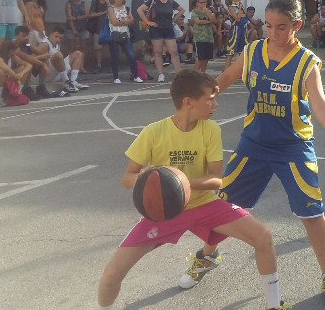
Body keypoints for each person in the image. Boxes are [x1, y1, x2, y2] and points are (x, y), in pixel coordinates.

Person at [179, 0, 325, 309]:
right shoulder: (252, 52)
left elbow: (319, 103)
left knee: (312, 213)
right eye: (268, 25)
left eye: (281, 27)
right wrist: (198, 100)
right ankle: (208, 256)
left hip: (293, 147)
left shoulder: (306, 63)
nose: (273, 32)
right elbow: (223, 79)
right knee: (221, 203)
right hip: (253, 144)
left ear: (296, 25)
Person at [97, 70, 291, 310]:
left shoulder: (210, 130)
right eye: (209, 98)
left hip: (205, 204)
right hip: (164, 211)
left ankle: (274, 304)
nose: (215, 104)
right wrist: (146, 179)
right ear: (188, 102)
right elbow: (127, 178)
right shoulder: (153, 132)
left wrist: (182, 182)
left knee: (263, 237)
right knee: (110, 276)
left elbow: (216, 179)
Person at [137, 0, 184, 82]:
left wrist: (174, 19)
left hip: (168, 29)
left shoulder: (171, 2)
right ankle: (160, 74)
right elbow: (140, 10)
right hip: (156, 29)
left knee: (173, 52)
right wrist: (148, 22)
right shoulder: (154, 1)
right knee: (158, 52)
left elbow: (182, 10)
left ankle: (179, 74)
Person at [107, 0, 143, 84]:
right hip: (114, 34)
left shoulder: (126, 8)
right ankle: (116, 77)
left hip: (125, 35)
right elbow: (113, 22)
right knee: (115, 56)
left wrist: (121, 21)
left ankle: (136, 76)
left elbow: (132, 21)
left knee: (131, 55)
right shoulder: (111, 8)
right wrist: (125, 21)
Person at [38, 26, 88, 93]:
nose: (58, 39)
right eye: (56, 36)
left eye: (60, 38)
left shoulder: (57, 44)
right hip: (48, 73)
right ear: (50, 34)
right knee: (58, 55)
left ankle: (72, 81)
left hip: (58, 71)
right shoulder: (44, 44)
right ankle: (67, 82)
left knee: (78, 53)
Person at [12, 25, 53, 99]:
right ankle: (26, 88)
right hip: (12, 71)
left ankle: (41, 87)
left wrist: (37, 58)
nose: (26, 38)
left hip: (23, 70)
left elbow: (46, 54)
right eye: (23, 36)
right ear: (16, 36)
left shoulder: (27, 45)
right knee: (29, 64)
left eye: (27, 36)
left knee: (44, 60)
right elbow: (27, 58)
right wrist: (40, 62)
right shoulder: (13, 46)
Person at [221, 0, 248, 71]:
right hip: (235, 29)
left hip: (242, 29)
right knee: (231, 49)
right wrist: (240, 8)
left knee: (242, 50)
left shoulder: (239, 6)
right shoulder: (231, 7)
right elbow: (237, 19)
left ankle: (241, 70)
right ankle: (226, 69)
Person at [87, 0, 111, 72]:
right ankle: (99, 65)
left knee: (110, 47)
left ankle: (111, 65)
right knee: (98, 48)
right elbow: (91, 14)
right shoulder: (95, 2)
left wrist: (108, 2)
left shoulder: (110, 1)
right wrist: (103, 13)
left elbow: (112, 12)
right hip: (98, 28)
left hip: (109, 29)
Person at [189, 0, 215, 73]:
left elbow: (214, 20)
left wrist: (207, 12)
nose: (203, 4)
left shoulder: (208, 11)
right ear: (197, 3)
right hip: (199, 38)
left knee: (206, 57)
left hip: (209, 37)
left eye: (205, 2)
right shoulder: (194, 12)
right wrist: (208, 21)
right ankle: (196, 73)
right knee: (199, 57)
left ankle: (203, 73)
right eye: (201, 2)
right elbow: (198, 21)